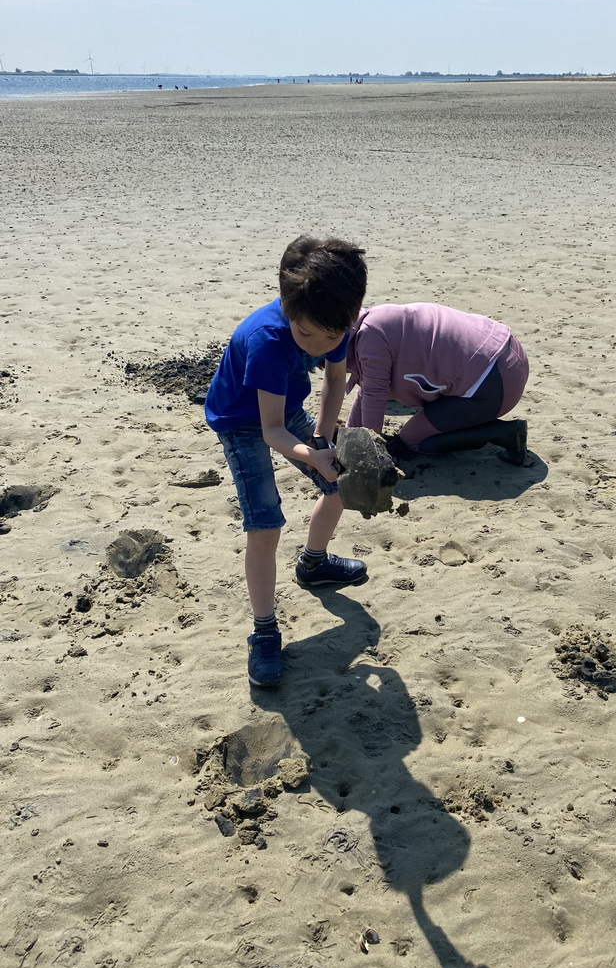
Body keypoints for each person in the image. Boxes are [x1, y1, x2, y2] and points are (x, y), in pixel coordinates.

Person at [205, 236, 369, 689]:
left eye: (332, 336)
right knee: (265, 526)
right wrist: (310, 455)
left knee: (340, 484)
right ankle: (263, 631)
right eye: (306, 335)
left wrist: (323, 438)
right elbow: (270, 430)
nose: (318, 345)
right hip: (241, 421)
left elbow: (336, 379)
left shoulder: (333, 321)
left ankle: (313, 564)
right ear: (285, 303)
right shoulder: (268, 340)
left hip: (284, 410)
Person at [345, 303, 529, 461]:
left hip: (495, 383)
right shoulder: (371, 321)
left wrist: (369, 454)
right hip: (505, 353)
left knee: (411, 439)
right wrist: (348, 438)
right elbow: (367, 390)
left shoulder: (370, 339)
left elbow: (374, 396)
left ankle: (504, 434)